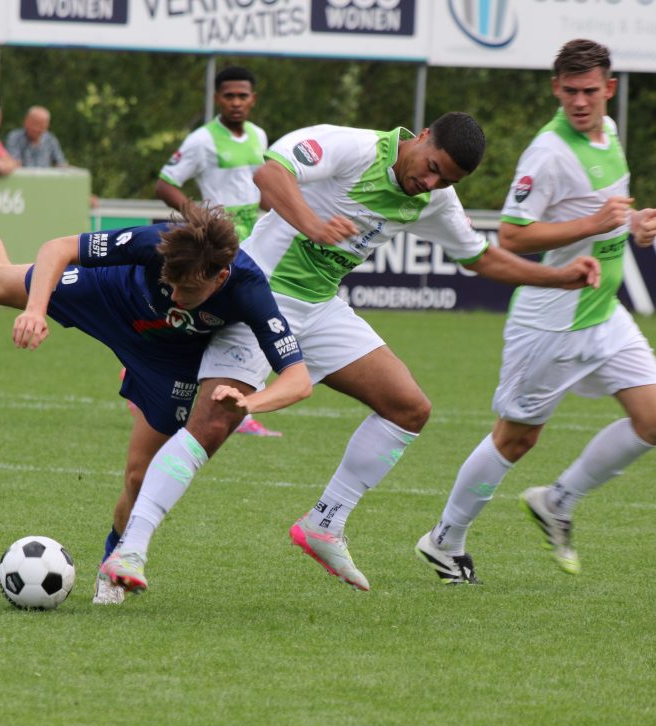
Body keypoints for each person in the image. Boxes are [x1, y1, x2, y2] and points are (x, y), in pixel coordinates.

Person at [99, 112, 602, 597]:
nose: (430, 183)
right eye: (431, 167)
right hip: (258, 293)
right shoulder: (352, 148)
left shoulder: (435, 199)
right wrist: (314, 226)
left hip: (320, 309)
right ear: (421, 135)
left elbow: (480, 257)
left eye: (444, 180)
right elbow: (269, 175)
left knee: (408, 407)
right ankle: (131, 552)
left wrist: (558, 277)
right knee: (211, 426)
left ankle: (325, 523)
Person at [0, 193, 312, 603]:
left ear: (219, 276)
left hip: (169, 360)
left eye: (188, 292)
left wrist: (251, 404)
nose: (175, 296)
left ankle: (112, 567)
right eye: (170, 284)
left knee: (140, 477)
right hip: (111, 296)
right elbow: (57, 248)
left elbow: (297, 377)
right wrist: (35, 309)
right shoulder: (153, 243)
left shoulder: (250, 290)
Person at [416, 40, 656, 584]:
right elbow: (511, 235)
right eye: (570, 91)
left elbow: (607, 211)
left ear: (609, 89)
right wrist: (594, 226)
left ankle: (558, 500)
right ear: (556, 88)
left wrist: (636, 226)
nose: (580, 102)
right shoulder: (548, 152)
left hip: (603, 314)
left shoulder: (611, 134)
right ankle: (444, 540)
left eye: (590, 91)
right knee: (516, 438)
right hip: (550, 320)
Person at [155, 64, 279, 438]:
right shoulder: (202, 140)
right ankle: (146, 368)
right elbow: (165, 184)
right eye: (229, 96)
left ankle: (239, 404)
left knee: (241, 317)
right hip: (216, 242)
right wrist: (198, 215)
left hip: (251, 238)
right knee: (222, 316)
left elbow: (264, 186)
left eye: (243, 96)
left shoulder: (258, 136)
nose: (236, 102)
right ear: (217, 98)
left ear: (253, 99)